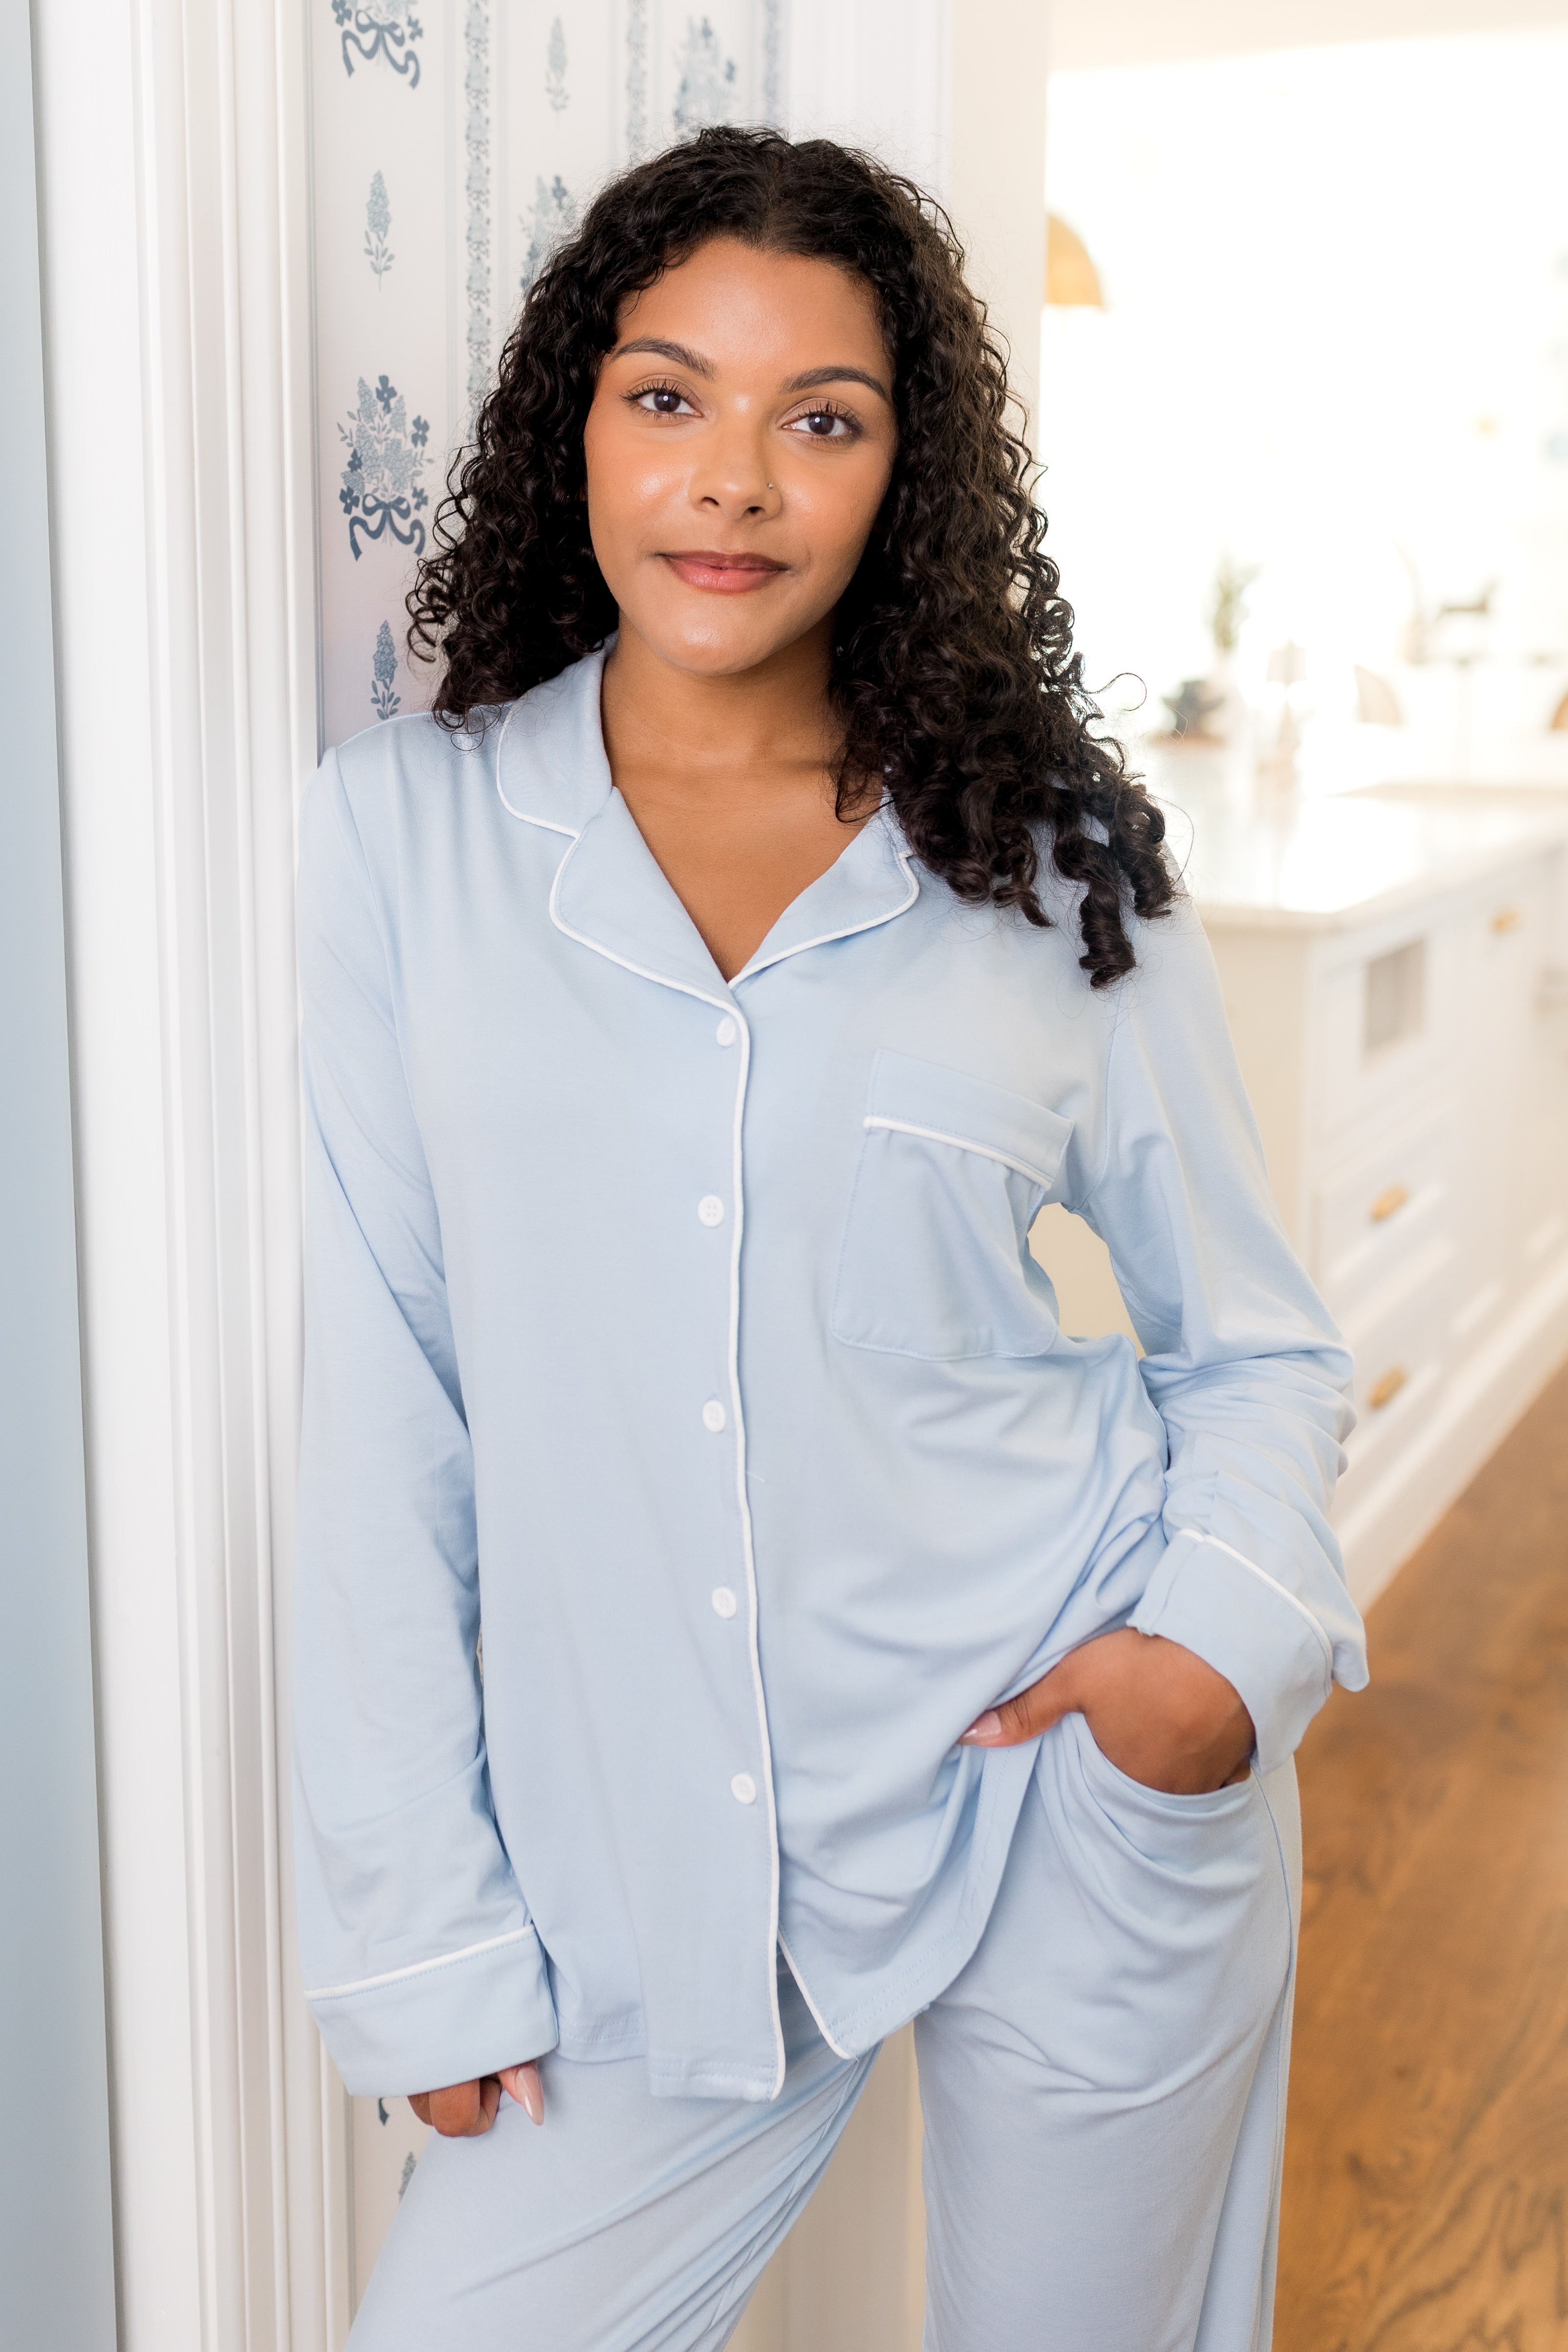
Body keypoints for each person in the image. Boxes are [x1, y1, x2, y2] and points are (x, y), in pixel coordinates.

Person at [293, 127, 1367, 2351]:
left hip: (1067, 1779)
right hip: (639, 1874)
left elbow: (1248, 1338)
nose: (736, 482)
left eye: (826, 419)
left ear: (908, 475)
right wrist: (418, 1919)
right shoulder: (405, 840)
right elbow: (384, 1399)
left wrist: (1202, 1674)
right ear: (570, 423)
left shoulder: (1051, 856)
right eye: (670, 395)